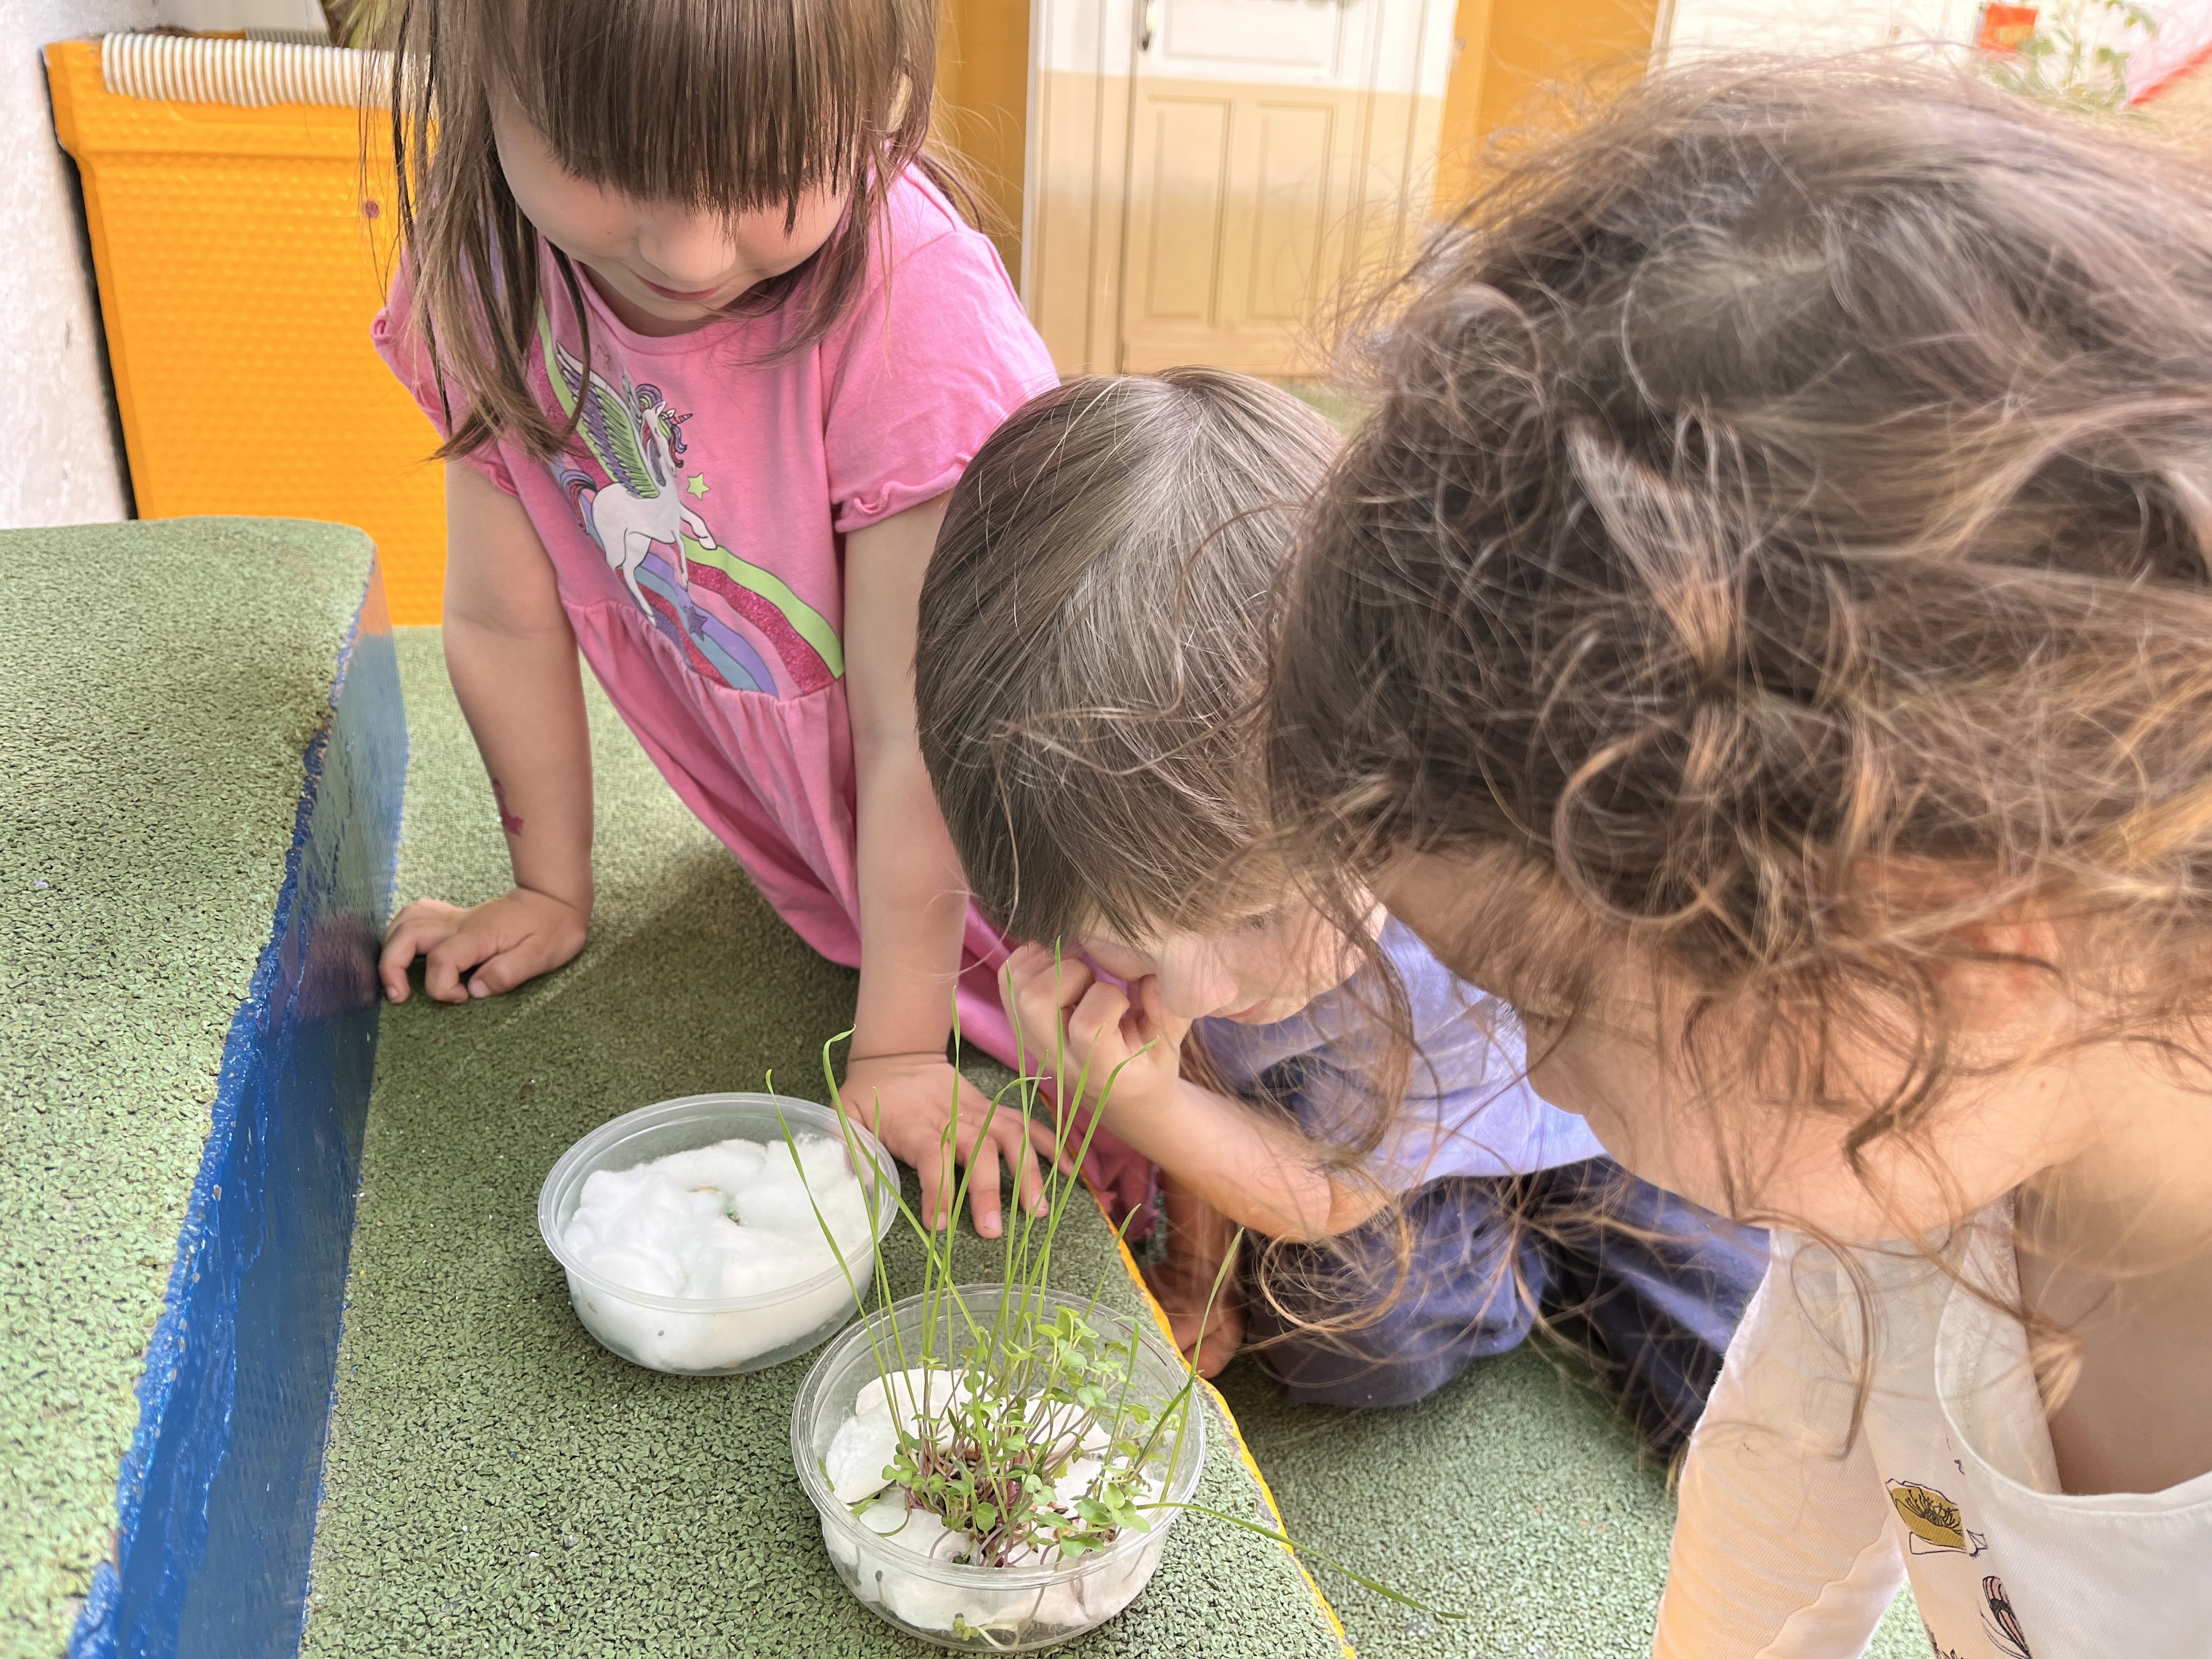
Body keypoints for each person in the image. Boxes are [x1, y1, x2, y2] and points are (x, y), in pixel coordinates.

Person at [1266, 59, 2212, 1657]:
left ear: (1940, 959)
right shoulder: (1916, 1155)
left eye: (1547, 998)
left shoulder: (1913, 1107)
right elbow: (1788, 1467)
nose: (1539, 1073)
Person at [912, 369, 1764, 1446]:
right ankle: (1497, 1239)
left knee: (1734, 1366)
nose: (1194, 990)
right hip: (1362, 1112)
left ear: (1386, 798)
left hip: (1579, 1116)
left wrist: (1139, 1106)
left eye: (1257, 915)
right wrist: (1196, 1267)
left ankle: (1555, 1207)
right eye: (1126, 937)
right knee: (1348, 1345)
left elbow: (1321, 1195)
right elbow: (1203, 1060)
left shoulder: (1448, 929)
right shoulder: (1114, 852)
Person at [364, 0, 1060, 1236]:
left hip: (1027, 870)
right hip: (831, 866)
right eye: (607, 160)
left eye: (770, 168)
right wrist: (549, 889)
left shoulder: (916, 316)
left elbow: (925, 730)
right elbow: (502, 619)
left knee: (1130, 1113)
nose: (688, 254)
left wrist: (901, 1051)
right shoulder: (484, 269)